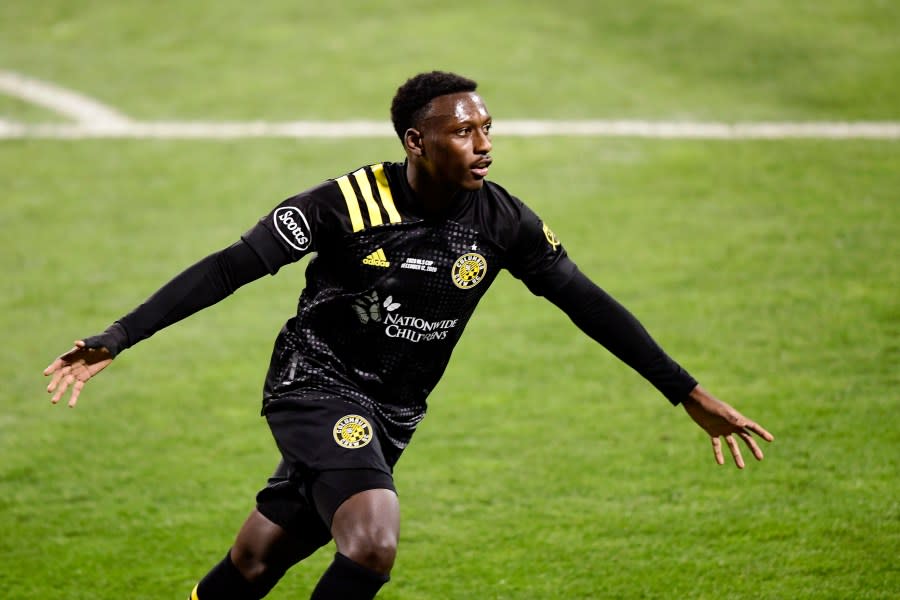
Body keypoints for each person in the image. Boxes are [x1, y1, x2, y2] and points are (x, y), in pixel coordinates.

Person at [43, 71, 774, 599]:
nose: (483, 144)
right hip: (315, 387)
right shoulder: (344, 204)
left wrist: (688, 394)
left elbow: (589, 304)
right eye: (463, 131)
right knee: (372, 539)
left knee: (258, 560)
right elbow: (230, 268)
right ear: (416, 142)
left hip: (394, 413)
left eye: (487, 128)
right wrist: (120, 335)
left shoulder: (502, 222)